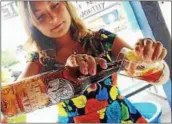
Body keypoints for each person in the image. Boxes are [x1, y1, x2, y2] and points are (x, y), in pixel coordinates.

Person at [3, 1, 168, 123]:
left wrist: (152, 60)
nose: (53, 18)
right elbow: (11, 105)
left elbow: (160, 77)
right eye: (40, 15)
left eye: (54, 5)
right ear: (32, 25)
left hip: (120, 116)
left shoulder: (102, 39)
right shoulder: (40, 61)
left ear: (66, 4)